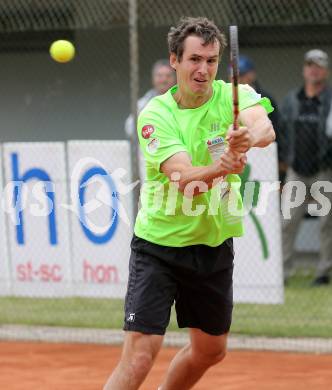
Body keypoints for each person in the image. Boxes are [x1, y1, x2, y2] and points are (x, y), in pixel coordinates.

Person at [104, 17, 275, 390]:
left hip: (212, 243)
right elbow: (183, 180)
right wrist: (222, 165)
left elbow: (265, 127)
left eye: (211, 61)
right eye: (195, 59)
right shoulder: (156, 114)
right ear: (175, 61)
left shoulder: (233, 94)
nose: (204, 69)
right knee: (140, 357)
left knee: (210, 351)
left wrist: (248, 136)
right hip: (160, 246)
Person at [279, 49, 332, 286]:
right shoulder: (292, 99)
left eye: (319, 66)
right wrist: (284, 164)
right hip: (296, 171)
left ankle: (323, 272)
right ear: (304, 69)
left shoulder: (331, 100)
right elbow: (281, 133)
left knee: (326, 223)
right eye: (310, 65)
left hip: (324, 171)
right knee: (288, 222)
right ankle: (283, 271)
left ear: (326, 71)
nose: (314, 69)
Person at [235, 55, 283, 182]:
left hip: (264, 152)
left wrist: (280, 159)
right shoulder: (226, 98)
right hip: (237, 152)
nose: (237, 79)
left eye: (242, 74)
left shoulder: (265, 98)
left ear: (252, 75)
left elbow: (276, 129)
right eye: (234, 75)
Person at [125, 59, 176, 138]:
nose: (164, 80)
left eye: (168, 76)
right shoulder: (145, 102)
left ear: (175, 78)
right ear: (153, 78)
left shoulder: (182, 100)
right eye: (159, 76)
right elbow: (130, 127)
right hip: (151, 144)